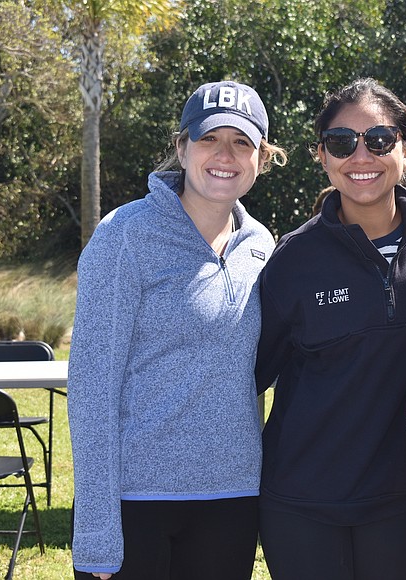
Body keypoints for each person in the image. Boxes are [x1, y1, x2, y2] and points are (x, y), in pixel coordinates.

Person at [254, 77, 406, 579]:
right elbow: (250, 376)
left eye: (378, 140)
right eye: (341, 142)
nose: (361, 156)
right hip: (302, 502)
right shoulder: (292, 259)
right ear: (322, 156)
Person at [68, 80, 287, 580]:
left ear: (261, 158)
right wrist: (98, 531)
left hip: (231, 500)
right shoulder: (124, 235)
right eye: (210, 138)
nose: (225, 155)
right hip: (136, 501)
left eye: (242, 143)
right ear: (183, 147)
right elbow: (92, 389)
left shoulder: (261, 245)